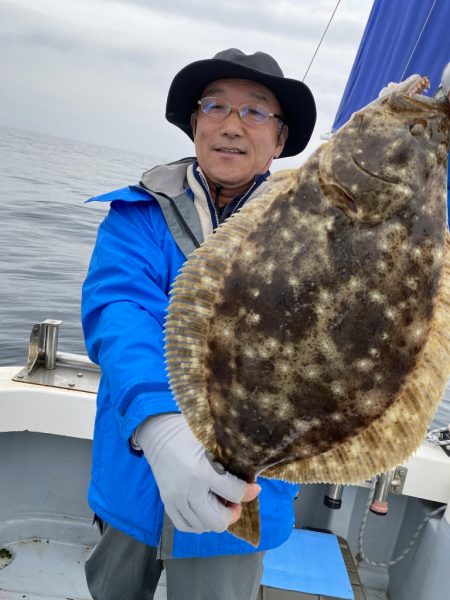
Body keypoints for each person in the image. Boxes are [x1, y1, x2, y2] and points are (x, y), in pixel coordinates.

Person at [81, 48, 316, 600]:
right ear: (195, 124)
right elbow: (120, 313)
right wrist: (160, 426)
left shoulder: (316, 228)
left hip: (248, 493)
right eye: (215, 107)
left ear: (280, 140)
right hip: (134, 476)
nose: (232, 125)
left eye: (255, 112)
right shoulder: (137, 215)